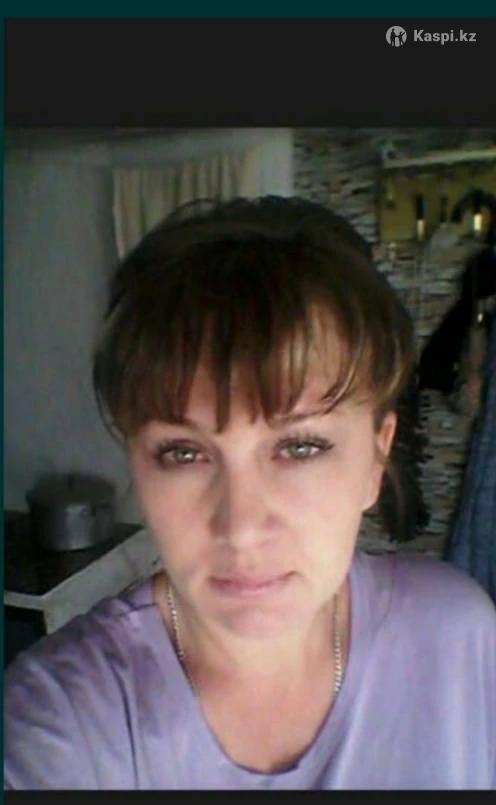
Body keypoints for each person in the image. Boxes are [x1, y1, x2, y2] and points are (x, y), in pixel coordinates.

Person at [5, 196, 495, 790]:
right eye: (183, 453)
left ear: (376, 458)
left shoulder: (458, 641)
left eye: (301, 447)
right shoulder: (63, 720)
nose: (241, 529)